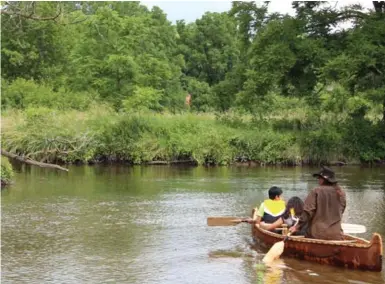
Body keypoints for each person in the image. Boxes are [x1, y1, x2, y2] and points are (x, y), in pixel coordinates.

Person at [289, 166, 346, 240]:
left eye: (319, 178)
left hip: (317, 235)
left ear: (323, 179)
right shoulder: (341, 193)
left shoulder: (316, 191)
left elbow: (307, 212)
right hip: (337, 235)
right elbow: (341, 211)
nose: (318, 180)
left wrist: (296, 227)